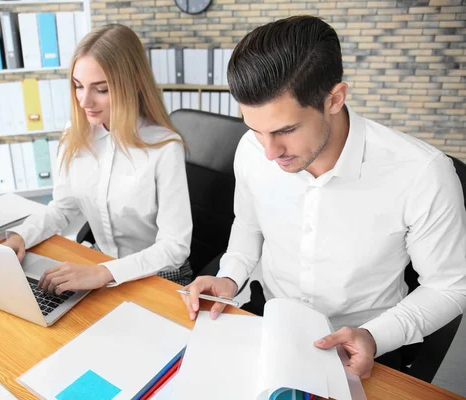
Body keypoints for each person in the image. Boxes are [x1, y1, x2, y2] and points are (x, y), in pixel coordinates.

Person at [180, 15, 466, 378]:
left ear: (335, 99)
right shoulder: (251, 151)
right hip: (270, 323)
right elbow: (249, 225)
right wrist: (230, 277)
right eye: (256, 130)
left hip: (366, 347)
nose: (269, 152)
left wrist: (375, 337)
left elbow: (449, 286)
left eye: (286, 130)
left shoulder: (423, 174)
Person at [3, 24, 193, 292]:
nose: (84, 101)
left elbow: (174, 247)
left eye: (101, 89)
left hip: (158, 277)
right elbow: (63, 208)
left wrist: (104, 272)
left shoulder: (164, 148)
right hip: (100, 269)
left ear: (134, 84)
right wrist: (22, 236)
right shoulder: (76, 134)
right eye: (78, 86)